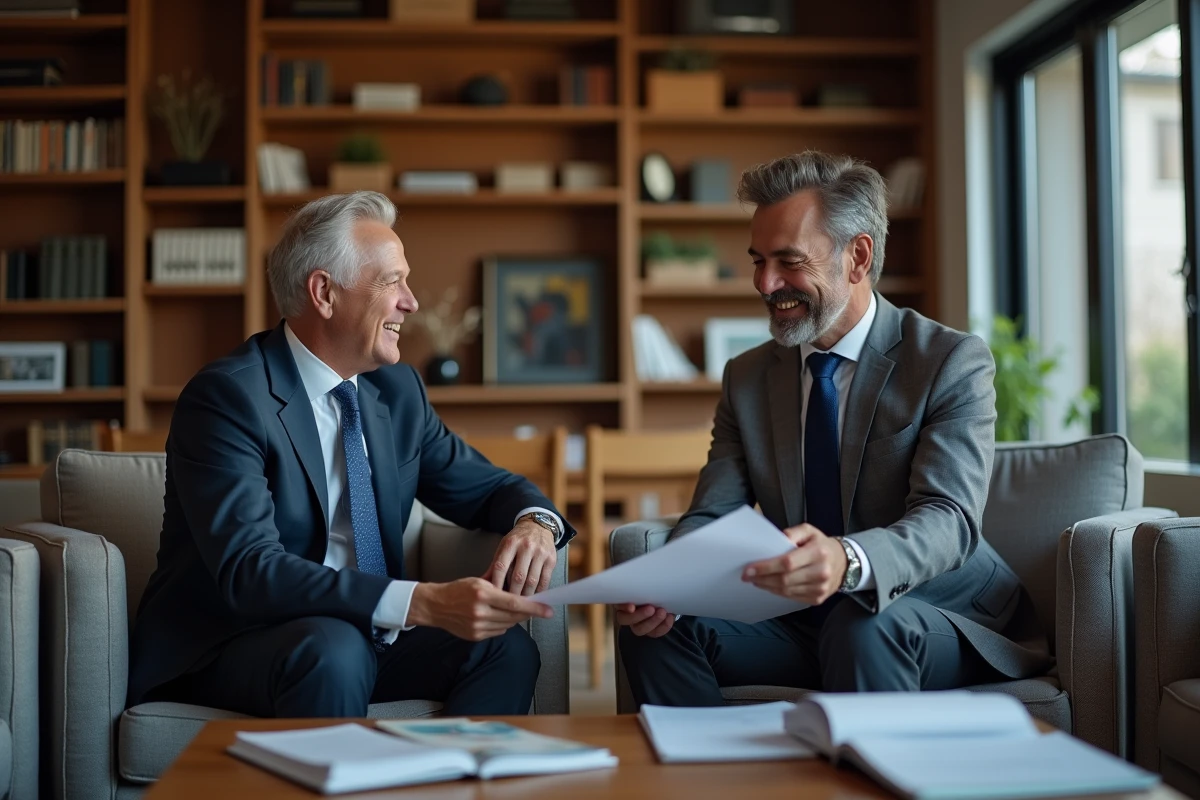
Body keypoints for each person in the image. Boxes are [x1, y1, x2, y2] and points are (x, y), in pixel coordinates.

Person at [616, 151, 1051, 706]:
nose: (765, 283)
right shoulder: (748, 377)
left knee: (861, 625)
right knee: (660, 630)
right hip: (805, 617)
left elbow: (949, 519)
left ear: (858, 257)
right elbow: (714, 511)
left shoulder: (949, 361)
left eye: (789, 261)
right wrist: (671, 583)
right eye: (757, 260)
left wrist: (847, 560)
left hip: (939, 610)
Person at [128, 191, 575, 718]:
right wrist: (419, 601)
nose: (411, 301)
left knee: (503, 649)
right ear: (324, 293)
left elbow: (488, 487)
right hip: (236, 643)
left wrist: (535, 523)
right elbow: (249, 569)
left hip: (362, 635)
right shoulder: (228, 397)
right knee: (334, 651)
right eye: (392, 282)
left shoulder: (398, 392)